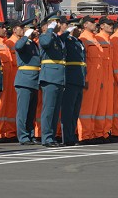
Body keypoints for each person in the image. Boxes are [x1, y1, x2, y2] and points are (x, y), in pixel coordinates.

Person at [38, 12, 66, 147]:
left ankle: (52, 136)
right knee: (49, 108)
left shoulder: (57, 38)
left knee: (55, 110)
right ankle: (47, 137)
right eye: (56, 22)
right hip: (49, 76)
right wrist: (49, 28)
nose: (58, 25)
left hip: (59, 77)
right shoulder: (45, 36)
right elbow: (45, 43)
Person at [13, 18, 41, 145]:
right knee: (23, 111)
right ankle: (23, 136)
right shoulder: (22, 41)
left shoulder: (33, 43)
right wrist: (26, 35)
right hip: (24, 79)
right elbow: (18, 47)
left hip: (34, 79)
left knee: (31, 111)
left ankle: (30, 134)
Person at [60, 18, 86, 146]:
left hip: (79, 79)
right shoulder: (66, 41)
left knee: (75, 111)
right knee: (68, 110)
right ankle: (67, 137)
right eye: (77, 28)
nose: (79, 30)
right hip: (70, 79)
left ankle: (71, 135)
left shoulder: (79, 42)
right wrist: (66, 33)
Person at [77, 15, 100, 144]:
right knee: (85, 109)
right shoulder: (84, 39)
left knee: (92, 108)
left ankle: (90, 134)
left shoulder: (94, 39)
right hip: (89, 77)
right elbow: (83, 61)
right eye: (91, 22)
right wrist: (84, 78)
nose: (94, 24)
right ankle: (83, 135)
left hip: (96, 77)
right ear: (85, 25)